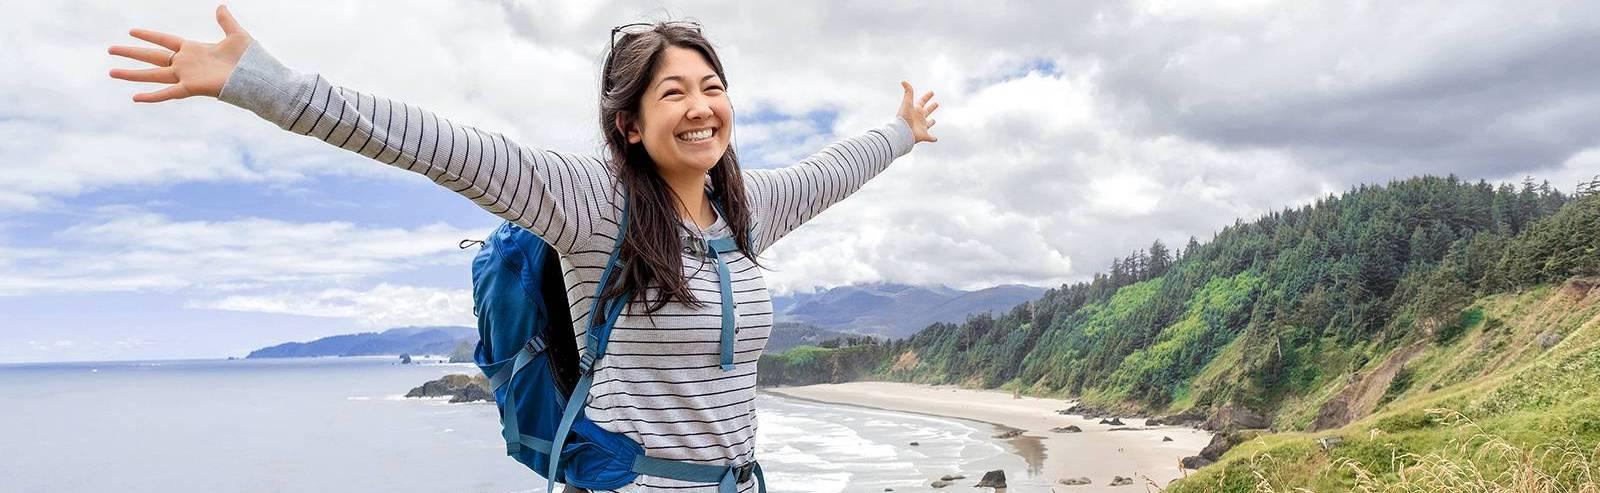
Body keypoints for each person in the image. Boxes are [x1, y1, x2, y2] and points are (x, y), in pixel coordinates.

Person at [109, 5, 939, 492]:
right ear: (631, 123)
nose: (700, 106)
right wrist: (270, 88)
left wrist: (902, 132)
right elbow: (436, 144)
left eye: (713, 88)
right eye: (674, 91)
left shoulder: (746, 212)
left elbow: (837, 168)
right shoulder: (590, 202)